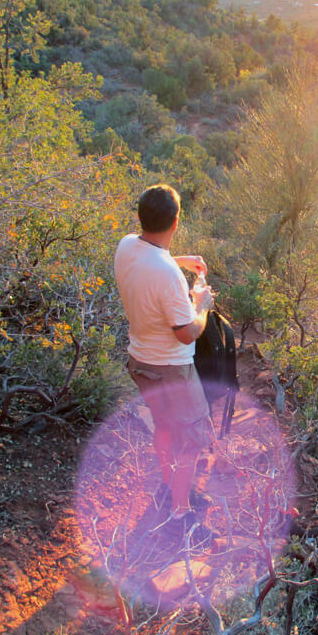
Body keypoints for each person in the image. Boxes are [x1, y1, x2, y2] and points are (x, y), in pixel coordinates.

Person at [113, 184, 215, 532]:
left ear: (141, 217)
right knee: (191, 440)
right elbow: (186, 332)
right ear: (176, 221)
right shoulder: (168, 275)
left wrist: (181, 260)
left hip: (140, 362)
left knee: (164, 426)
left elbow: (152, 258)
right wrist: (200, 304)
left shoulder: (127, 245)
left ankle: (170, 485)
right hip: (172, 369)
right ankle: (181, 512)